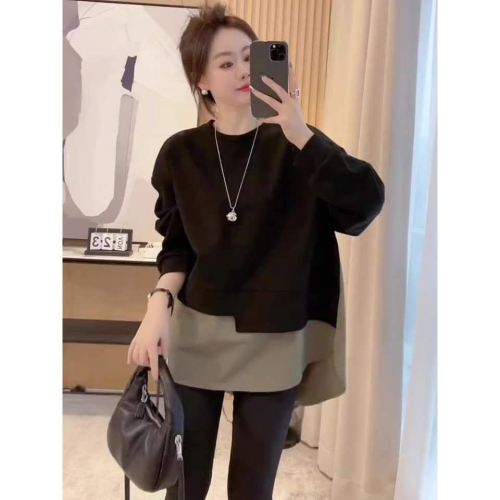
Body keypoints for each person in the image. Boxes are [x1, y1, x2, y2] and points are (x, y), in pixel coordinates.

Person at [127, 4, 385, 500]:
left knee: (252, 486)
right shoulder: (180, 153)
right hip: (197, 331)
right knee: (185, 481)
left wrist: (301, 133)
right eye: (226, 63)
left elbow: (365, 203)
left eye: (250, 56)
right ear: (201, 80)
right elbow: (177, 246)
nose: (243, 70)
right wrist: (157, 305)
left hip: (276, 336)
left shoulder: (297, 145)